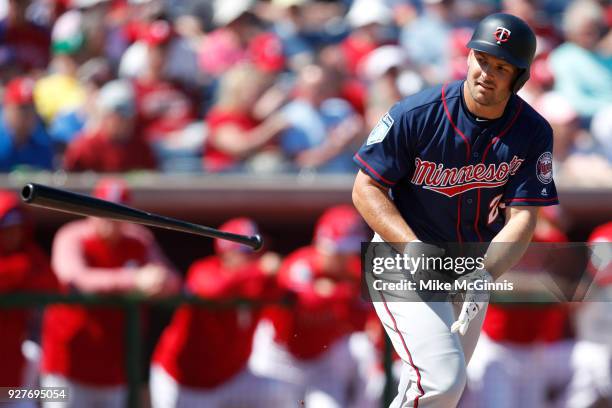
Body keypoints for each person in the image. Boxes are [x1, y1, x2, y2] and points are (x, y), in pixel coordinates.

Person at [352, 13, 559, 407]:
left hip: (470, 266)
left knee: (445, 393)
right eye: (482, 59)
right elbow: (366, 189)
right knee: (441, 383)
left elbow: (525, 217)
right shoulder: (416, 113)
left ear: (519, 77)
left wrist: (487, 271)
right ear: (467, 58)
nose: (487, 73)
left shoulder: (532, 131)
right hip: (402, 258)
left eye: (501, 67)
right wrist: (413, 249)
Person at [40, 178, 180, 408]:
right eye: (103, 210)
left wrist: (160, 281)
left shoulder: (139, 238)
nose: (109, 220)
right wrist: (133, 279)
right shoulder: (72, 236)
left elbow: (174, 280)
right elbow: (73, 278)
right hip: (67, 367)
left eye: (116, 212)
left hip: (116, 369)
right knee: (17, 396)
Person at [150, 217, 288, 407]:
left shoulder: (257, 280)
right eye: (248, 251)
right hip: (185, 383)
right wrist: (258, 271)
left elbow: (287, 286)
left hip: (232, 379)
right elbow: (213, 289)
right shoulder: (205, 270)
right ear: (228, 253)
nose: (256, 257)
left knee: (280, 394)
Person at [249, 205, 377, 407]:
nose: (345, 258)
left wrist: (334, 291)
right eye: (340, 251)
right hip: (279, 357)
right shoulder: (301, 263)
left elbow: (360, 322)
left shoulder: (354, 271)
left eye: (350, 251)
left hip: (321, 362)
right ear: (323, 245)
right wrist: (343, 292)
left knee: (362, 349)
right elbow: (309, 303)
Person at [0, 190, 58, 408]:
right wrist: (20, 273)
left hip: (13, 377)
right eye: (6, 229)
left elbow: (52, 285)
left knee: (33, 354)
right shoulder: (25, 262)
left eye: (17, 228)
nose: (13, 235)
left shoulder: (29, 253)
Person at [0, 76, 54, 172]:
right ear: (7, 109)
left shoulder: (43, 143)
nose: (28, 114)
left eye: (32, 107)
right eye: (22, 108)